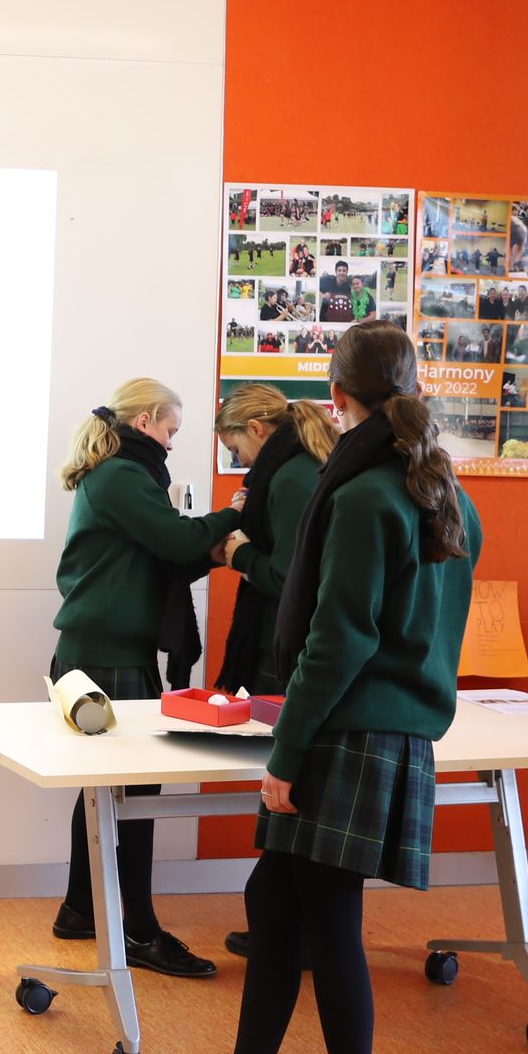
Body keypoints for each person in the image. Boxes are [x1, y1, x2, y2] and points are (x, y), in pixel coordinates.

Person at [125, 321, 481, 1054]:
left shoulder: (361, 495)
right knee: (285, 907)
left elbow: (338, 639)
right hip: (397, 733)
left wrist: (285, 753)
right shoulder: (448, 495)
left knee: (323, 922)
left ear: (338, 396)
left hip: (340, 734)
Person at [46, 379, 240, 979]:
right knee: (135, 795)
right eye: (171, 430)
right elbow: (175, 539)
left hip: (98, 652)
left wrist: (211, 550)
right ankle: (140, 931)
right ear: (147, 420)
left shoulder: (117, 475)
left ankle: (80, 909)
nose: (172, 444)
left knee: (105, 790)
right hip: (109, 659)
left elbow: (160, 556)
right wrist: (234, 515)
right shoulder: (123, 476)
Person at [208, 383, 339, 961]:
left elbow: (289, 580)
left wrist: (238, 553)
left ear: (257, 430)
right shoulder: (303, 466)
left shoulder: (288, 478)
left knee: (287, 792)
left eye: (235, 448)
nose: (237, 460)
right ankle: (291, 928)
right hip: (289, 650)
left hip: (285, 654)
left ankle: (291, 932)